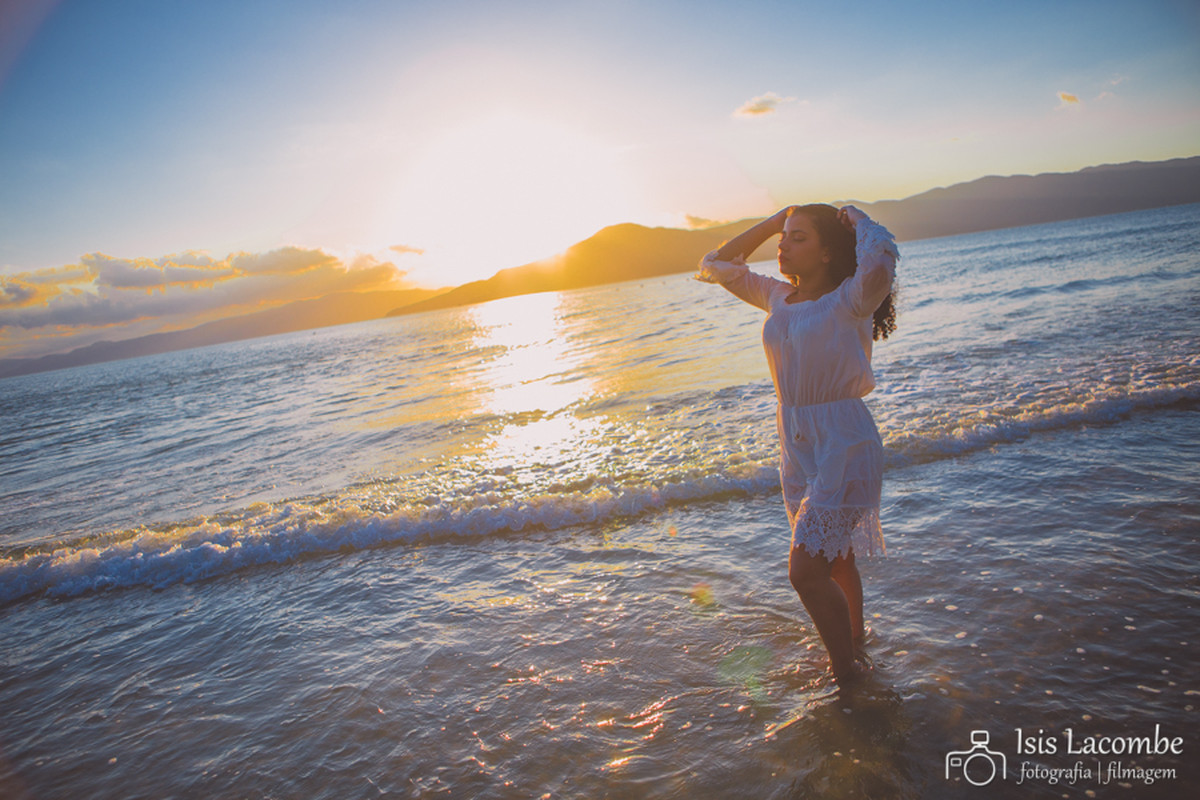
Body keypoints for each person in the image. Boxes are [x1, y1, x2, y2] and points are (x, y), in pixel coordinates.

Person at [696, 203, 898, 687]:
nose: (784, 246)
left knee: (806, 572)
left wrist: (857, 219)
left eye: (798, 237)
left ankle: (845, 673)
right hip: (797, 443)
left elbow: (881, 259)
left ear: (828, 253)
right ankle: (856, 643)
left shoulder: (851, 298)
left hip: (844, 440)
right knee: (836, 557)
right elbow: (717, 263)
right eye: (784, 238)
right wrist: (773, 222)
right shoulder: (776, 298)